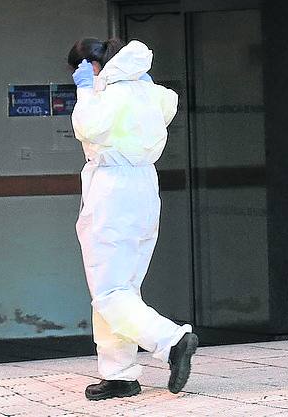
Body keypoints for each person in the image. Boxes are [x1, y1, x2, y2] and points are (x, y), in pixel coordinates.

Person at [68, 38, 198, 400]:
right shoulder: (148, 91)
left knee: (109, 292)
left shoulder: (111, 94)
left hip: (113, 190)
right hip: (143, 187)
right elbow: (165, 105)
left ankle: (171, 341)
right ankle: (119, 374)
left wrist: (86, 92)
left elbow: (87, 127)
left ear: (93, 67)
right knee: (121, 288)